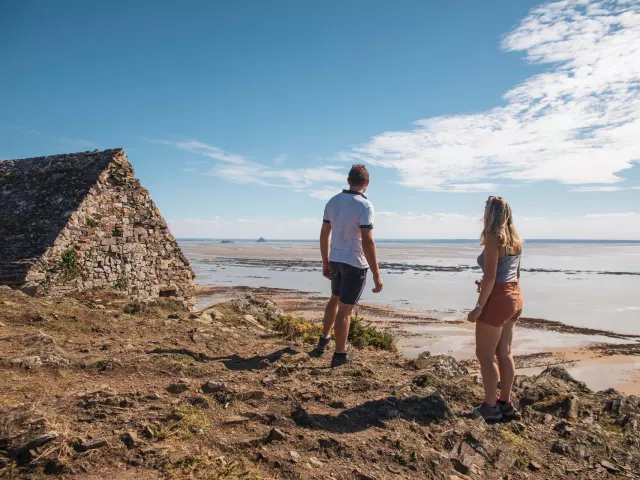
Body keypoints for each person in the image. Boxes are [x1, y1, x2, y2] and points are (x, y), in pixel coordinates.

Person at [312, 164, 383, 367]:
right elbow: (368, 241)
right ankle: (340, 354)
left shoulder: (333, 202)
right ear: (367, 184)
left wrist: (325, 261)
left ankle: (323, 339)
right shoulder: (365, 205)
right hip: (354, 263)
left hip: (336, 259)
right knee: (345, 310)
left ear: (348, 180)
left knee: (334, 300)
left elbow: (324, 234)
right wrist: (377, 274)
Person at [468, 196, 523, 421]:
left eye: (485, 210)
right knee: (505, 353)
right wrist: (492, 285)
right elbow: (514, 274)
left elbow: (491, 277)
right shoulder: (516, 239)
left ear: (491, 214)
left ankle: (490, 408)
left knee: (485, 354)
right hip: (515, 297)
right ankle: (505, 403)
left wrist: (479, 306)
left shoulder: (493, 238)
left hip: (499, 298)